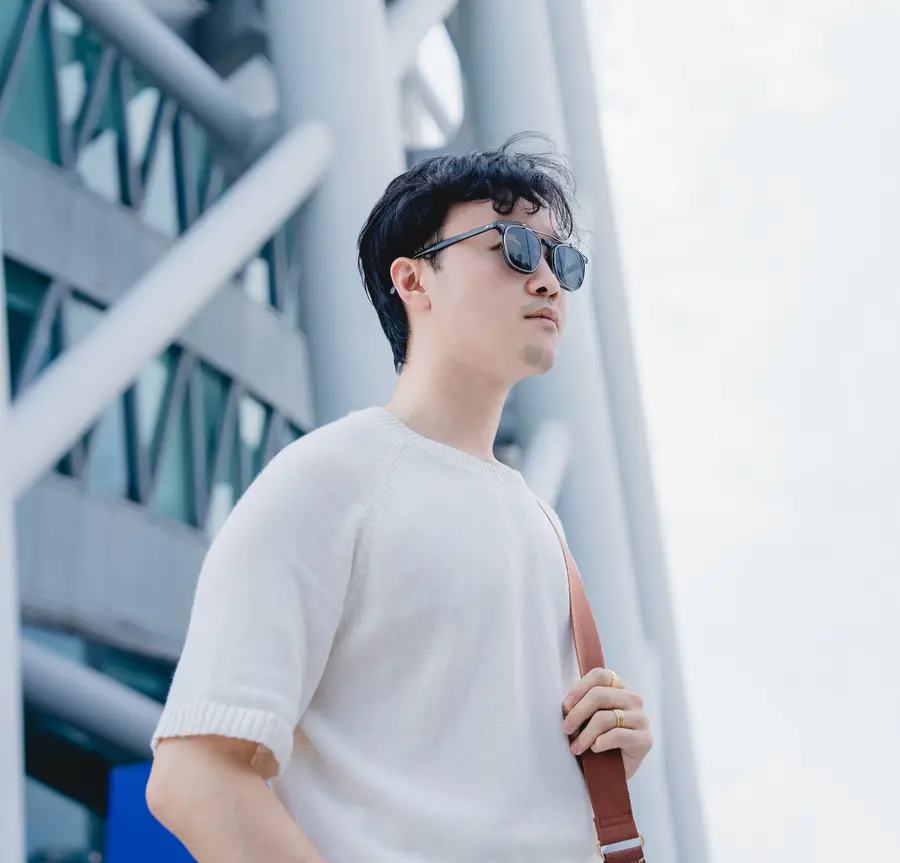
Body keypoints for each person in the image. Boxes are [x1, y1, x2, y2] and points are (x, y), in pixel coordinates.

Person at [145, 133, 653, 863]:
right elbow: (194, 777)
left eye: (559, 259)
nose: (547, 280)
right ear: (414, 280)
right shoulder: (331, 478)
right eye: (513, 247)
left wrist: (600, 756)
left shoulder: (541, 521)